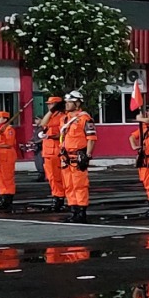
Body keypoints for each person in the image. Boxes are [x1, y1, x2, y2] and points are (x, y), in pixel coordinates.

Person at [58, 90, 96, 222]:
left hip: (78, 156)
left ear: (77, 103)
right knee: (68, 185)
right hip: (65, 157)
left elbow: (91, 138)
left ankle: (81, 212)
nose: (67, 104)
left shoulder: (85, 118)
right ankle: (73, 210)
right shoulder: (64, 118)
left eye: (70, 102)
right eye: (66, 102)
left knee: (80, 185)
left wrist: (88, 155)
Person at [38, 96, 68, 211]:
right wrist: (50, 112)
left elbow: (62, 134)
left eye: (51, 104)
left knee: (57, 177)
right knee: (51, 177)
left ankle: (60, 198)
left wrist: (48, 136)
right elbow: (42, 124)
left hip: (55, 150)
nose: (49, 106)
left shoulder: (62, 116)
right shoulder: (51, 116)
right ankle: (56, 197)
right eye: (48, 104)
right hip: (47, 151)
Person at [0, 110, 19, 211]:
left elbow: (9, 144)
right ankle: (3, 199)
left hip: (6, 157)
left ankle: (8, 200)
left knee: (7, 179)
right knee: (0, 179)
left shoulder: (8, 129)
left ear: (5, 119)